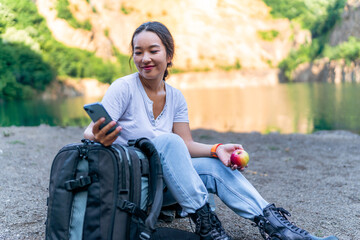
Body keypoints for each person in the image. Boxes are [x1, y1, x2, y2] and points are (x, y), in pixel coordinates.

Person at [84, 21, 338, 240]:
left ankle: (282, 229)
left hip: (165, 186)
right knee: (168, 142)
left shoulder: (176, 97)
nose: (144, 58)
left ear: (169, 55)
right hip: (134, 186)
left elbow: (185, 145)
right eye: (138, 52)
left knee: (214, 165)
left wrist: (217, 149)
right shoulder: (124, 88)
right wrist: (100, 134)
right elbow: (88, 133)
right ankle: (208, 226)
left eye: (153, 50)